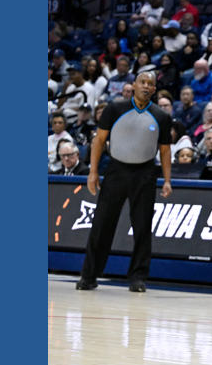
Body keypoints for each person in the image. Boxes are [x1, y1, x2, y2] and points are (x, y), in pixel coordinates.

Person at [76, 72, 173, 293]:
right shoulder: (115, 108)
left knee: (142, 227)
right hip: (116, 170)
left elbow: (165, 151)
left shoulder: (161, 116)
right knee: (102, 224)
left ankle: (138, 277)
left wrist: (167, 180)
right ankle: (89, 276)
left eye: (150, 84)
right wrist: (93, 172)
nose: (146, 86)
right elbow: (99, 141)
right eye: (142, 82)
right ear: (134, 85)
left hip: (145, 173)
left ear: (154, 89)